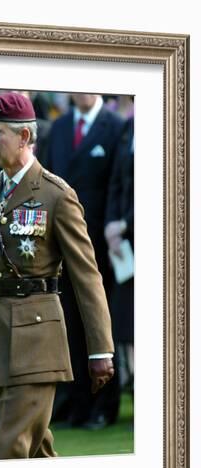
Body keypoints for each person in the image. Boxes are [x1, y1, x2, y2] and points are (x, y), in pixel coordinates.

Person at [0, 91, 114, 459]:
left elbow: (86, 276)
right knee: (36, 455)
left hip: (37, 347)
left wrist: (100, 349)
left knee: (9, 452)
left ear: (25, 137)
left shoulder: (56, 195)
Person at [46, 93, 124, 429]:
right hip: (60, 245)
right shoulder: (60, 127)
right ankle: (78, 405)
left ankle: (104, 406)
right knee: (69, 326)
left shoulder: (115, 127)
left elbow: (117, 185)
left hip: (98, 246)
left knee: (100, 325)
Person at [105, 116, 134, 392]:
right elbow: (116, 182)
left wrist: (125, 222)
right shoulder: (129, 127)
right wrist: (111, 225)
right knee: (126, 327)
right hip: (124, 246)